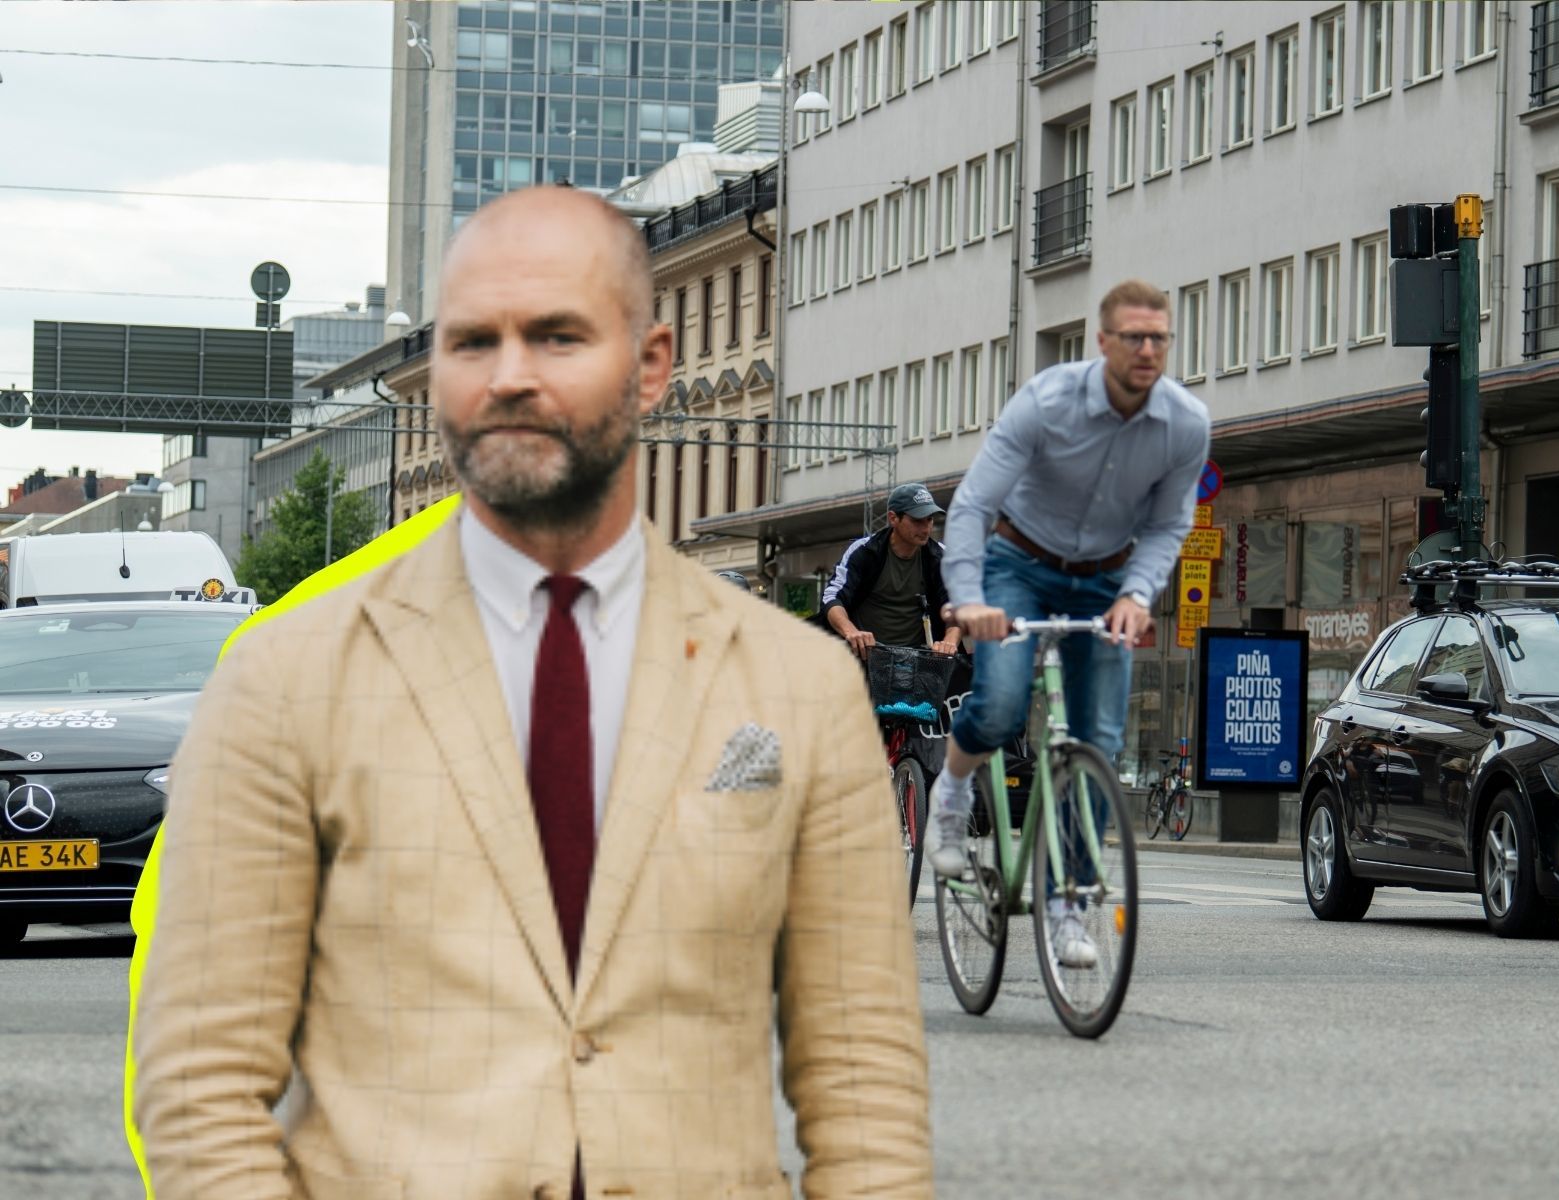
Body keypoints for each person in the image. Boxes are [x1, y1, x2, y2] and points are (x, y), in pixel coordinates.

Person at [131, 187, 932, 1200]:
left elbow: (865, 1092)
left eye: (557, 337)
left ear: (651, 367)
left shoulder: (801, 688)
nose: (509, 377)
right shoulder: (286, 680)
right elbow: (201, 1081)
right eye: (473, 344)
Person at [924, 279, 1212, 969]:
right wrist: (968, 598)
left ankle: (1068, 904)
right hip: (1019, 564)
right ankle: (954, 789)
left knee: (1099, 747)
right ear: (1103, 342)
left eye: (1160, 338)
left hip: (1107, 580)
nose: (1149, 350)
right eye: (1135, 337)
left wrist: (1138, 594)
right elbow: (971, 505)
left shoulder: (1185, 423)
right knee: (997, 706)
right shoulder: (1047, 402)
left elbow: (1170, 522)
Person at [820, 483, 961, 660]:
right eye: (917, 520)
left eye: (930, 519)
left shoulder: (940, 557)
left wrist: (949, 641)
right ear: (893, 518)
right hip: (866, 657)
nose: (926, 528)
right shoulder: (865, 551)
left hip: (920, 660)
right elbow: (832, 596)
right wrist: (851, 632)